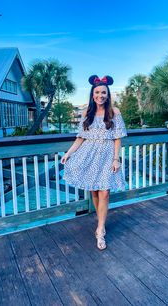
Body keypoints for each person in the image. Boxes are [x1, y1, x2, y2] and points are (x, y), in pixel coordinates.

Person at [61, 75, 127, 250]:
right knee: (95, 193)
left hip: (107, 157)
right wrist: (68, 153)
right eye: (97, 92)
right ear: (92, 94)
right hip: (88, 156)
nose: (100, 95)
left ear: (108, 94)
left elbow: (118, 138)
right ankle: (101, 223)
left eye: (103, 92)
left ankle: (100, 229)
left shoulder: (115, 112)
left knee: (105, 193)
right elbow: (80, 138)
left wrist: (116, 159)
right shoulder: (86, 113)